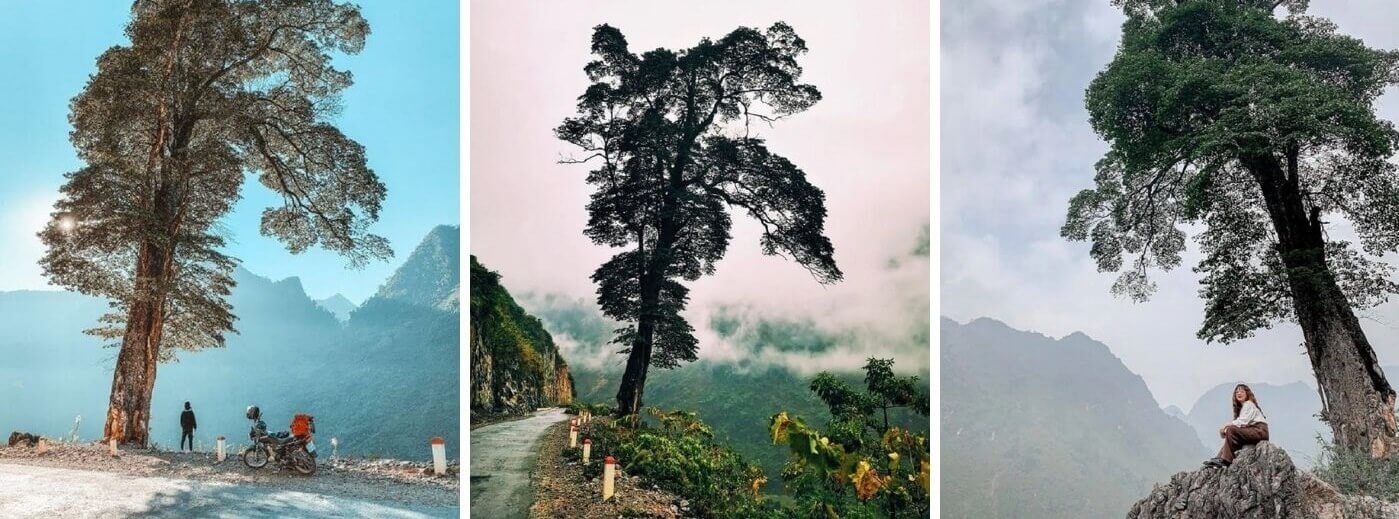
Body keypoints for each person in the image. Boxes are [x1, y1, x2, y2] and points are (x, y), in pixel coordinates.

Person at [1203, 384, 1269, 467]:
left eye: (1241, 391)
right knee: (1230, 437)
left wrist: (1226, 426)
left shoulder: (1249, 404)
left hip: (1259, 431)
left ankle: (1226, 460)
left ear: (1247, 393)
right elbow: (1238, 427)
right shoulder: (1243, 407)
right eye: (1237, 392)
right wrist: (1226, 431)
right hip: (1253, 431)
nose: (1239, 393)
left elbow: (1243, 422)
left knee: (1231, 429)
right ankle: (1218, 459)